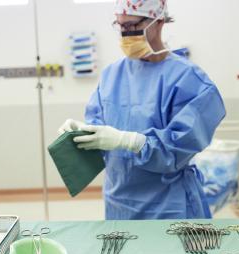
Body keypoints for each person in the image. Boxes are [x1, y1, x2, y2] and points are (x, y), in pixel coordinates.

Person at [58, 0, 226, 220]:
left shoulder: (189, 80)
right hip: (119, 203)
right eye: (120, 27)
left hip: (168, 206)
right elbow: (100, 132)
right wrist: (82, 133)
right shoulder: (112, 76)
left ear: (158, 22)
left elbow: (178, 149)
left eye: (132, 26)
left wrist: (130, 142)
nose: (126, 35)